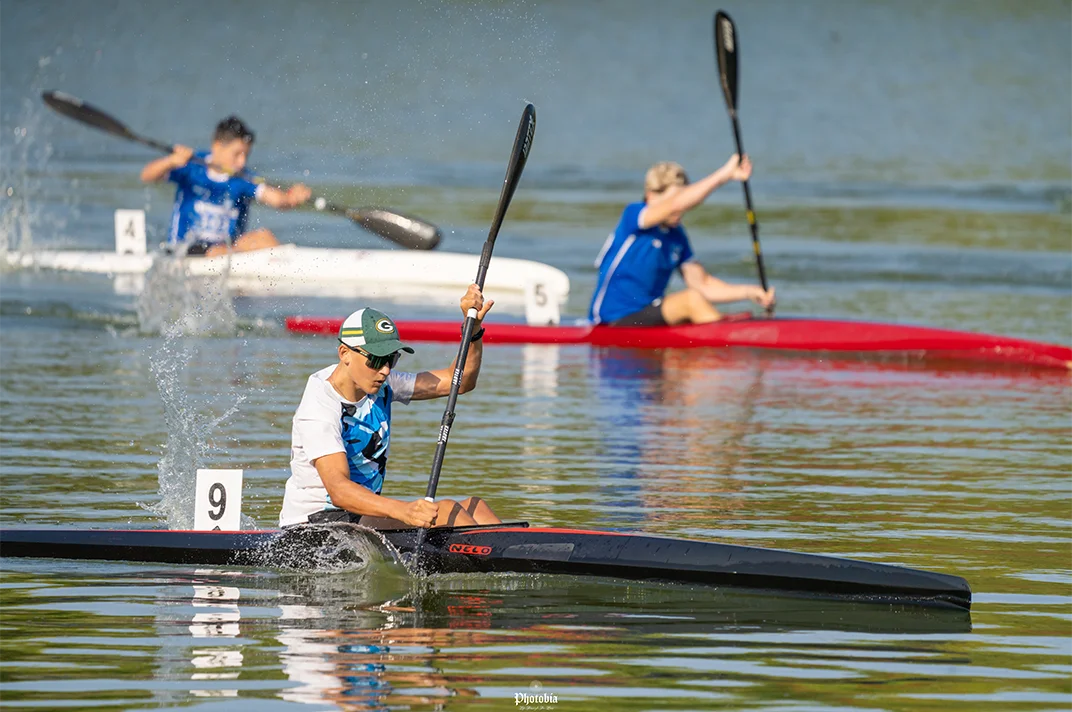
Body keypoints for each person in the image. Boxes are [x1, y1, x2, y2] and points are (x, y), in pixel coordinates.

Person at [279, 284, 503, 530]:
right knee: (448, 510)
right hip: (313, 527)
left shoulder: (383, 383)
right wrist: (405, 511)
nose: (385, 370)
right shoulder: (320, 406)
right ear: (345, 353)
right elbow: (339, 491)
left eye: (390, 359)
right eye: (375, 360)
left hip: (358, 516)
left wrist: (472, 331)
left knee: (475, 506)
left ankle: (520, 552)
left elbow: (458, 382)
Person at [588, 155, 776, 326]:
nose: (683, 209)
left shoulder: (676, 236)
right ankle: (729, 350)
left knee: (694, 303)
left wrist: (749, 292)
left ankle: (723, 343)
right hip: (611, 320)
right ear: (651, 196)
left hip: (646, 317)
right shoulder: (635, 216)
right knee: (691, 301)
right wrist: (724, 175)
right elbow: (674, 206)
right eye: (679, 198)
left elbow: (704, 284)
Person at [140, 116, 312, 257]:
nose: (242, 162)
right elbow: (147, 175)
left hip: (227, 251)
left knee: (264, 237)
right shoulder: (191, 166)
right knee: (219, 251)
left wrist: (292, 198)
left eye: (246, 155)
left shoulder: (242, 179)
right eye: (237, 154)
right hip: (184, 249)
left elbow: (276, 199)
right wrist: (170, 161)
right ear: (217, 147)